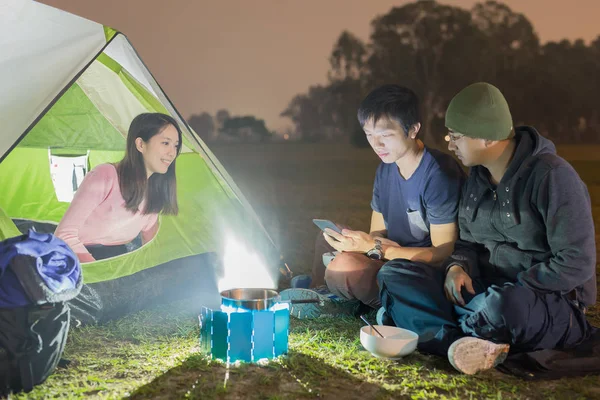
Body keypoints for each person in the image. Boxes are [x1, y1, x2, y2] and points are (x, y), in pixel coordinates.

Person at [377, 82, 597, 375]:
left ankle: (427, 323)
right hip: (481, 291)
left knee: (500, 307)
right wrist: (457, 268)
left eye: (456, 136)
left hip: (540, 300)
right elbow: (467, 245)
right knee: (396, 273)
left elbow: (576, 262)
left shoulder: (553, 178)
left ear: (488, 139)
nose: (449, 144)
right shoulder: (476, 181)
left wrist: (514, 287)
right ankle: (458, 345)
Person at [282, 84, 464, 318]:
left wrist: (371, 248)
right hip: (388, 257)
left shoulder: (438, 175)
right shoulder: (385, 170)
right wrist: (359, 243)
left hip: (416, 272)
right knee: (328, 237)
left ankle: (349, 298)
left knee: (345, 267)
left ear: (413, 129)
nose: (376, 145)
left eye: (385, 135)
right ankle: (321, 291)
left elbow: (443, 254)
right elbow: (378, 233)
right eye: (369, 135)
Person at [55, 112, 181, 263]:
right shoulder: (105, 176)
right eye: (165, 143)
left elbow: (152, 244)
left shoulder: (154, 189)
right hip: (81, 257)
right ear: (140, 144)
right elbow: (64, 234)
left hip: (119, 259)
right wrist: (99, 272)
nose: (172, 153)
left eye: (176, 146)